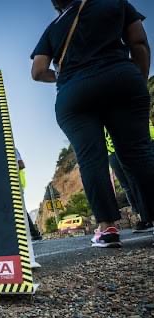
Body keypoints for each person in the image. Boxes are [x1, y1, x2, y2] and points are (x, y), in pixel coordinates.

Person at [31, 0, 154, 247]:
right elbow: (138, 42)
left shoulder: (53, 27)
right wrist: (138, 78)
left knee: (90, 159)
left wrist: (66, 76)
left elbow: (38, 70)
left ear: (56, 4)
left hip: (73, 93)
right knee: (138, 151)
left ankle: (107, 228)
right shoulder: (115, 4)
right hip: (120, 76)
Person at [105, 127, 153, 232]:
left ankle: (149, 216)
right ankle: (143, 218)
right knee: (127, 186)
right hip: (112, 150)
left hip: (141, 139)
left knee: (142, 178)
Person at [16, 148, 43, 241]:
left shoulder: (11, 149)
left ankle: (34, 234)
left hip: (15, 183)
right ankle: (33, 234)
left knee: (20, 209)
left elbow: (21, 164)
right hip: (6, 184)